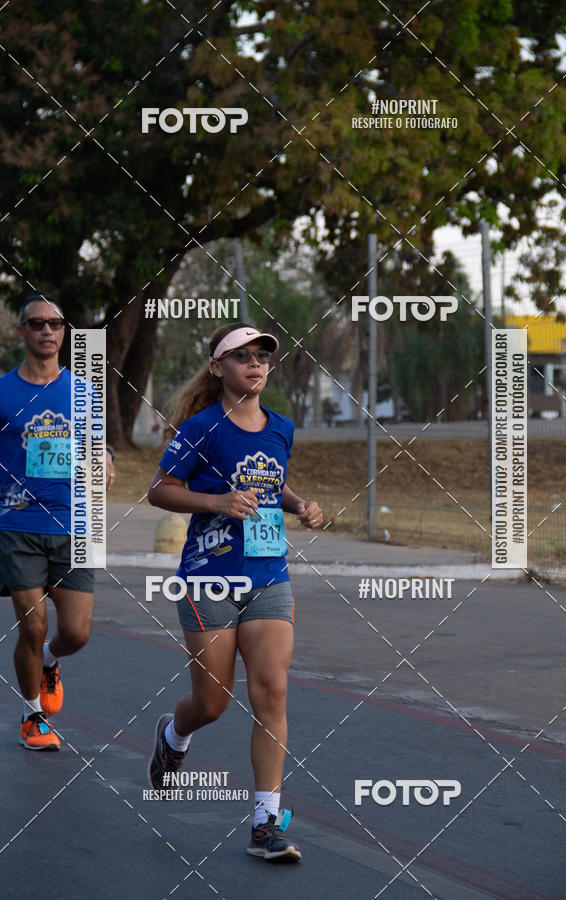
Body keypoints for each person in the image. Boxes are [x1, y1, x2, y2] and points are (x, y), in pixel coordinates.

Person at [147, 322, 323, 862]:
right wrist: (218, 503)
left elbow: (273, 480)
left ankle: (265, 824)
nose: (255, 364)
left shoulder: (281, 427)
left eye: (262, 356)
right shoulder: (202, 427)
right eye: (241, 356)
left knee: (271, 691)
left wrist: (297, 506)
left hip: (269, 575)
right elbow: (160, 491)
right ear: (217, 368)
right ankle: (174, 738)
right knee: (213, 703)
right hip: (210, 578)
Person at [0, 294, 115, 750]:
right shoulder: (4, 390)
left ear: (65, 333)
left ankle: (50, 662)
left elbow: (98, 443)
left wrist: (104, 456)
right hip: (17, 523)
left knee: (76, 633)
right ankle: (32, 716)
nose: (47, 331)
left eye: (56, 324)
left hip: (76, 523)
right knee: (32, 626)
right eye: (38, 324)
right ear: (22, 332)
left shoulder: (84, 392)